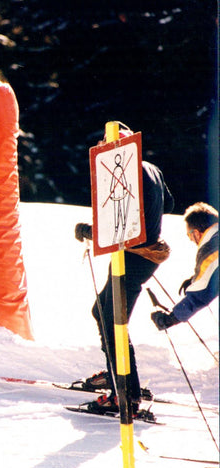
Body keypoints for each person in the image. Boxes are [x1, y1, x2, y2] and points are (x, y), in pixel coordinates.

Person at [74, 131, 174, 415]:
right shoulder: (150, 168)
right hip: (139, 255)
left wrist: (90, 231)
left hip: (133, 256)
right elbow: (169, 204)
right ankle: (119, 374)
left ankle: (125, 393)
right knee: (102, 312)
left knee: (113, 321)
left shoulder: (130, 171)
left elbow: (121, 228)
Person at [150, 202, 219, 330]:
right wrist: (194, 280)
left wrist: (170, 319)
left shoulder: (211, 249)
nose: (190, 239)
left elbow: (201, 294)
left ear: (197, 233)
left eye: (189, 234)